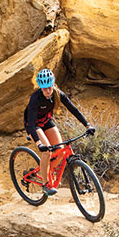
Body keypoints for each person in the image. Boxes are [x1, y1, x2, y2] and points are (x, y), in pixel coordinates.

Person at [23, 68, 94, 196]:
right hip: (33, 125)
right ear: (40, 88)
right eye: (44, 88)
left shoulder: (58, 94)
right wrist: (39, 144)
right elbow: (31, 124)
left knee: (60, 150)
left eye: (49, 87)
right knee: (47, 151)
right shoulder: (35, 98)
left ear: (53, 84)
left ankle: (46, 171)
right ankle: (45, 184)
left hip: (46, 121)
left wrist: (87, 125)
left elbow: (73, 109)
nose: (48, 91)